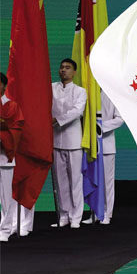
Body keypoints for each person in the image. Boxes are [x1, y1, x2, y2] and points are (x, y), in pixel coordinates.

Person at [51, 58, 87, 229]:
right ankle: (64, 215)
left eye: (68, 67)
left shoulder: (80, 91)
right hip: (56, 140)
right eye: (62, 67)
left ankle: (76, 216)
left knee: (75, 181)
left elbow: (77, 112)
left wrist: (57, 119)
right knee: (61, 181)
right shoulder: (52, 87)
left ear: (74, 72)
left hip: (73, 141)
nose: (64, 70)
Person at [83, 91, 124, 225]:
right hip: (91, 146)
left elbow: (120, 119)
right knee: (93, 179)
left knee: (107, 182)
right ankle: (94, 212)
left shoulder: (112, 94)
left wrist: (100, 127)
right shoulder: (89, 92)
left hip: (106, 145)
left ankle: (106, 213)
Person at [0, 72, 27, 241]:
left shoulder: (12, 106)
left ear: (4, 86)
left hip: (4, 157)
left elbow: (16, 129)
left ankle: (5, 229)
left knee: (5, 196)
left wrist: (2, 138)